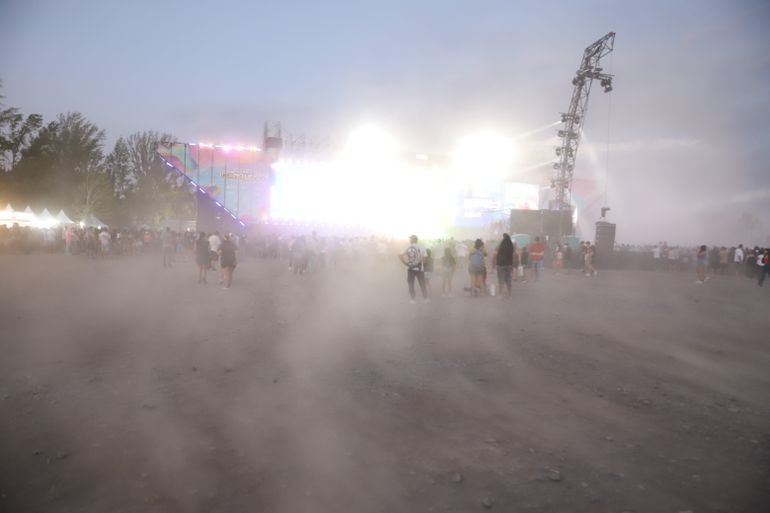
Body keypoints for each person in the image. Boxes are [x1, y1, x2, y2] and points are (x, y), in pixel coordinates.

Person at [399, 235, 429, 304]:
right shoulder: (421, 246)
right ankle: (425, 298)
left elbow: (400, 255)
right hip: (419, 269)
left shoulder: (407, 246)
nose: (409, 240)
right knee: (422, 284)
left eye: (410, 239)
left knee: (411, 284)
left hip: (410, 268)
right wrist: (421, 265)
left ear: (413, 240)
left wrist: (405, 263)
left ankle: (412, 299)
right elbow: (425, 257)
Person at [493, 233, 514, 298]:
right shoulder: (511, 245)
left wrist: (494, 265)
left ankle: (500, 294)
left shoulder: (501, 245)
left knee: (501, 280)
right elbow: (512, 255)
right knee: (508, 280)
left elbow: (496, 254)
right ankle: (510, 295)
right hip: (509, 265)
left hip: (501, 265)